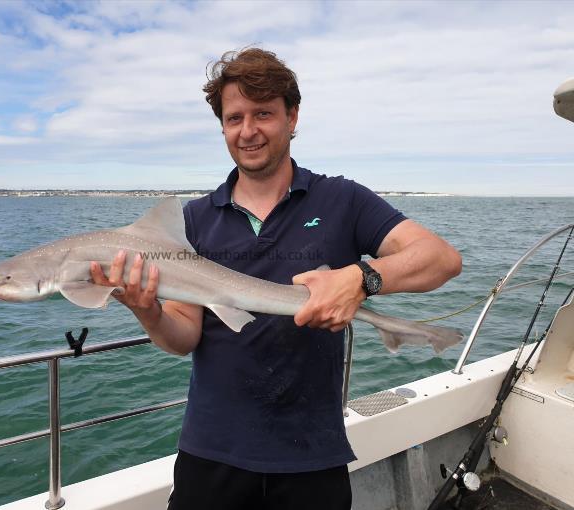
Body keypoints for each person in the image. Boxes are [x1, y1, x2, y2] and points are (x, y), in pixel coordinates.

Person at [91, 48, 462, 509]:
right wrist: (146, 311)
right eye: (234, 118)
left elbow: (441, 259)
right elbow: (183, 335)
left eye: (263, 113)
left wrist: (361, 277)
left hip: (312, 452)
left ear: (292, 117)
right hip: (212, 450)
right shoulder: (194, 220)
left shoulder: (343, 199)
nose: (247, 131)